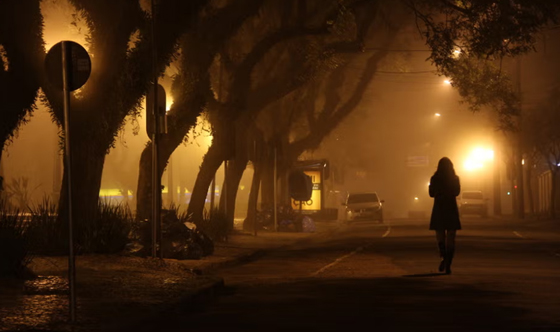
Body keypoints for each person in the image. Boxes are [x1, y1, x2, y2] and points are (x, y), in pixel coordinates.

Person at [429, 157, 461, 274]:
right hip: (451, 208)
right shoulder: (455, 178)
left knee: (440, 236)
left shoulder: (434, 178)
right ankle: (449, 263)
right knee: (451, 237)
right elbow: (457, 192)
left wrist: (439, 192)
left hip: (439, 208)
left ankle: (443, 257)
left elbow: (431, 194)